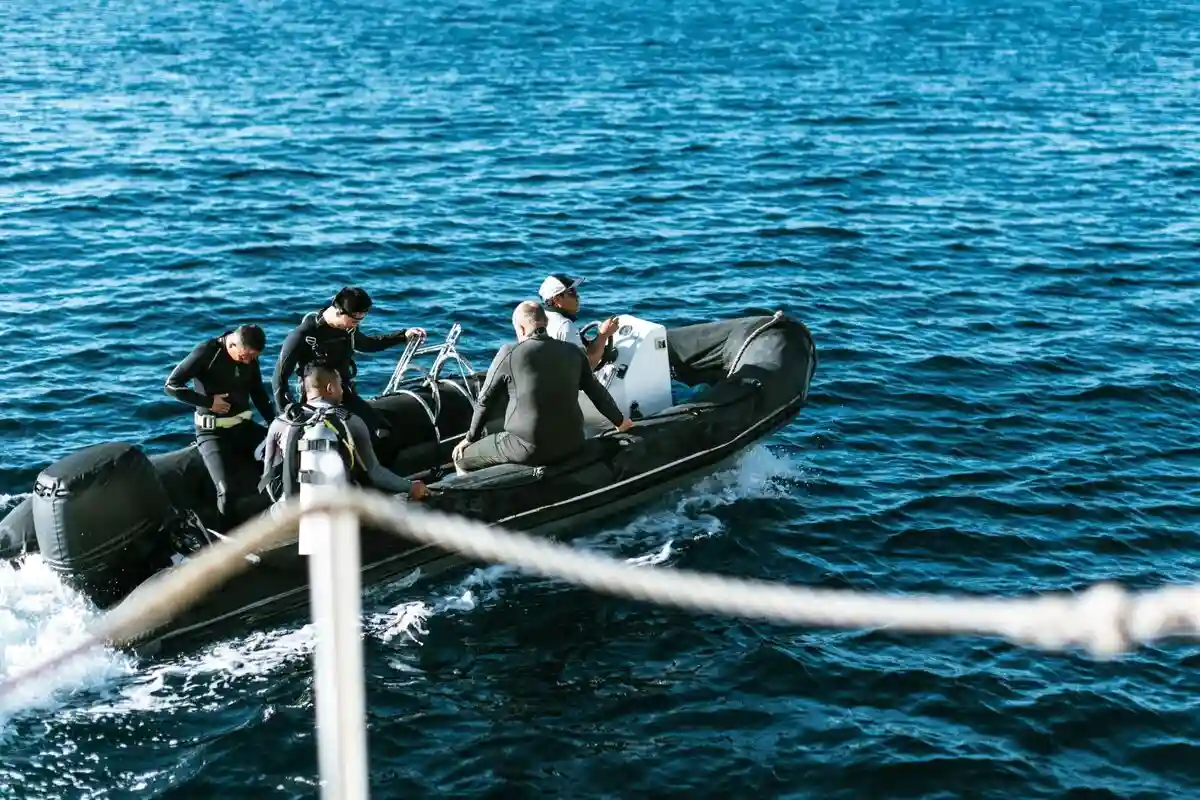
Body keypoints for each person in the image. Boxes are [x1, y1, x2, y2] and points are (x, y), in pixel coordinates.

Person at [451, 301, 633, 474]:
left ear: (521, 329)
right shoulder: (573, 352)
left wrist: (470, 439)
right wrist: (620, 421)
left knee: (461, 457)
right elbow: (597, 392)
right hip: (574, 442)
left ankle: (476, 500)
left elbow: (485, 402)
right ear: (546, 322)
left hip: (527, 448)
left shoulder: (509, 353)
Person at [272, 286, 423, 444]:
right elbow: (279, 378)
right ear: (339, 312)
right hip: (318, 401)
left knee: (382, 430)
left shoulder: (348, 329)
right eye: (354, 320)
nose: (355, 325)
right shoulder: (303, 335)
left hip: (345, 394)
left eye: (359, 321)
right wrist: (287, 411)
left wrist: (402, 336)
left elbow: (367, 344)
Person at [260, 365, 429, 502]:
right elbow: (376, 473)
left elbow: (269, 478)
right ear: (330, 388)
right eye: (340, 385)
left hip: (289, 511)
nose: (342, 390)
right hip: (337, 507)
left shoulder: (280, 422)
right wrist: (410, 487)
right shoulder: (350, 421)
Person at [165, 324, 274, 524]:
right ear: (232, 344)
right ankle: (227, 541)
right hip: (212, 432)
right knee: (226, 490)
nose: (249, 361)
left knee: (287, 458)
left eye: (253, 357)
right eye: (245, 357)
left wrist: (275, 425)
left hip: (244, 428)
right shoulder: (208, 352)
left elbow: (258, 392)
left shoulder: (250, 357)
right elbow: (172, 386)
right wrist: (209, 402)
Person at [538, 273, 619, 370]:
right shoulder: (564, 326)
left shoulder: (541, 317)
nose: (577, 296)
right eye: (571, 292)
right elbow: (587, 367)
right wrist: (604, 335)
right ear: (557, 299)